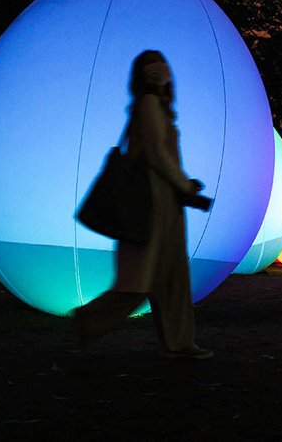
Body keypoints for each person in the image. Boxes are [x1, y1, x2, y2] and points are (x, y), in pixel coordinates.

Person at [72, 50, 213, 360]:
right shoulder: (150, 105)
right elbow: (157, 156)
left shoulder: (152, 107)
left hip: (163, 204)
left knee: (167, 280)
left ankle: (180, 343)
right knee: (144, 282)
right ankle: (89, 321)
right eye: (153, 65)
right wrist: (186, 186)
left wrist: (185, 190)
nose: (160, 70)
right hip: (152, 207)